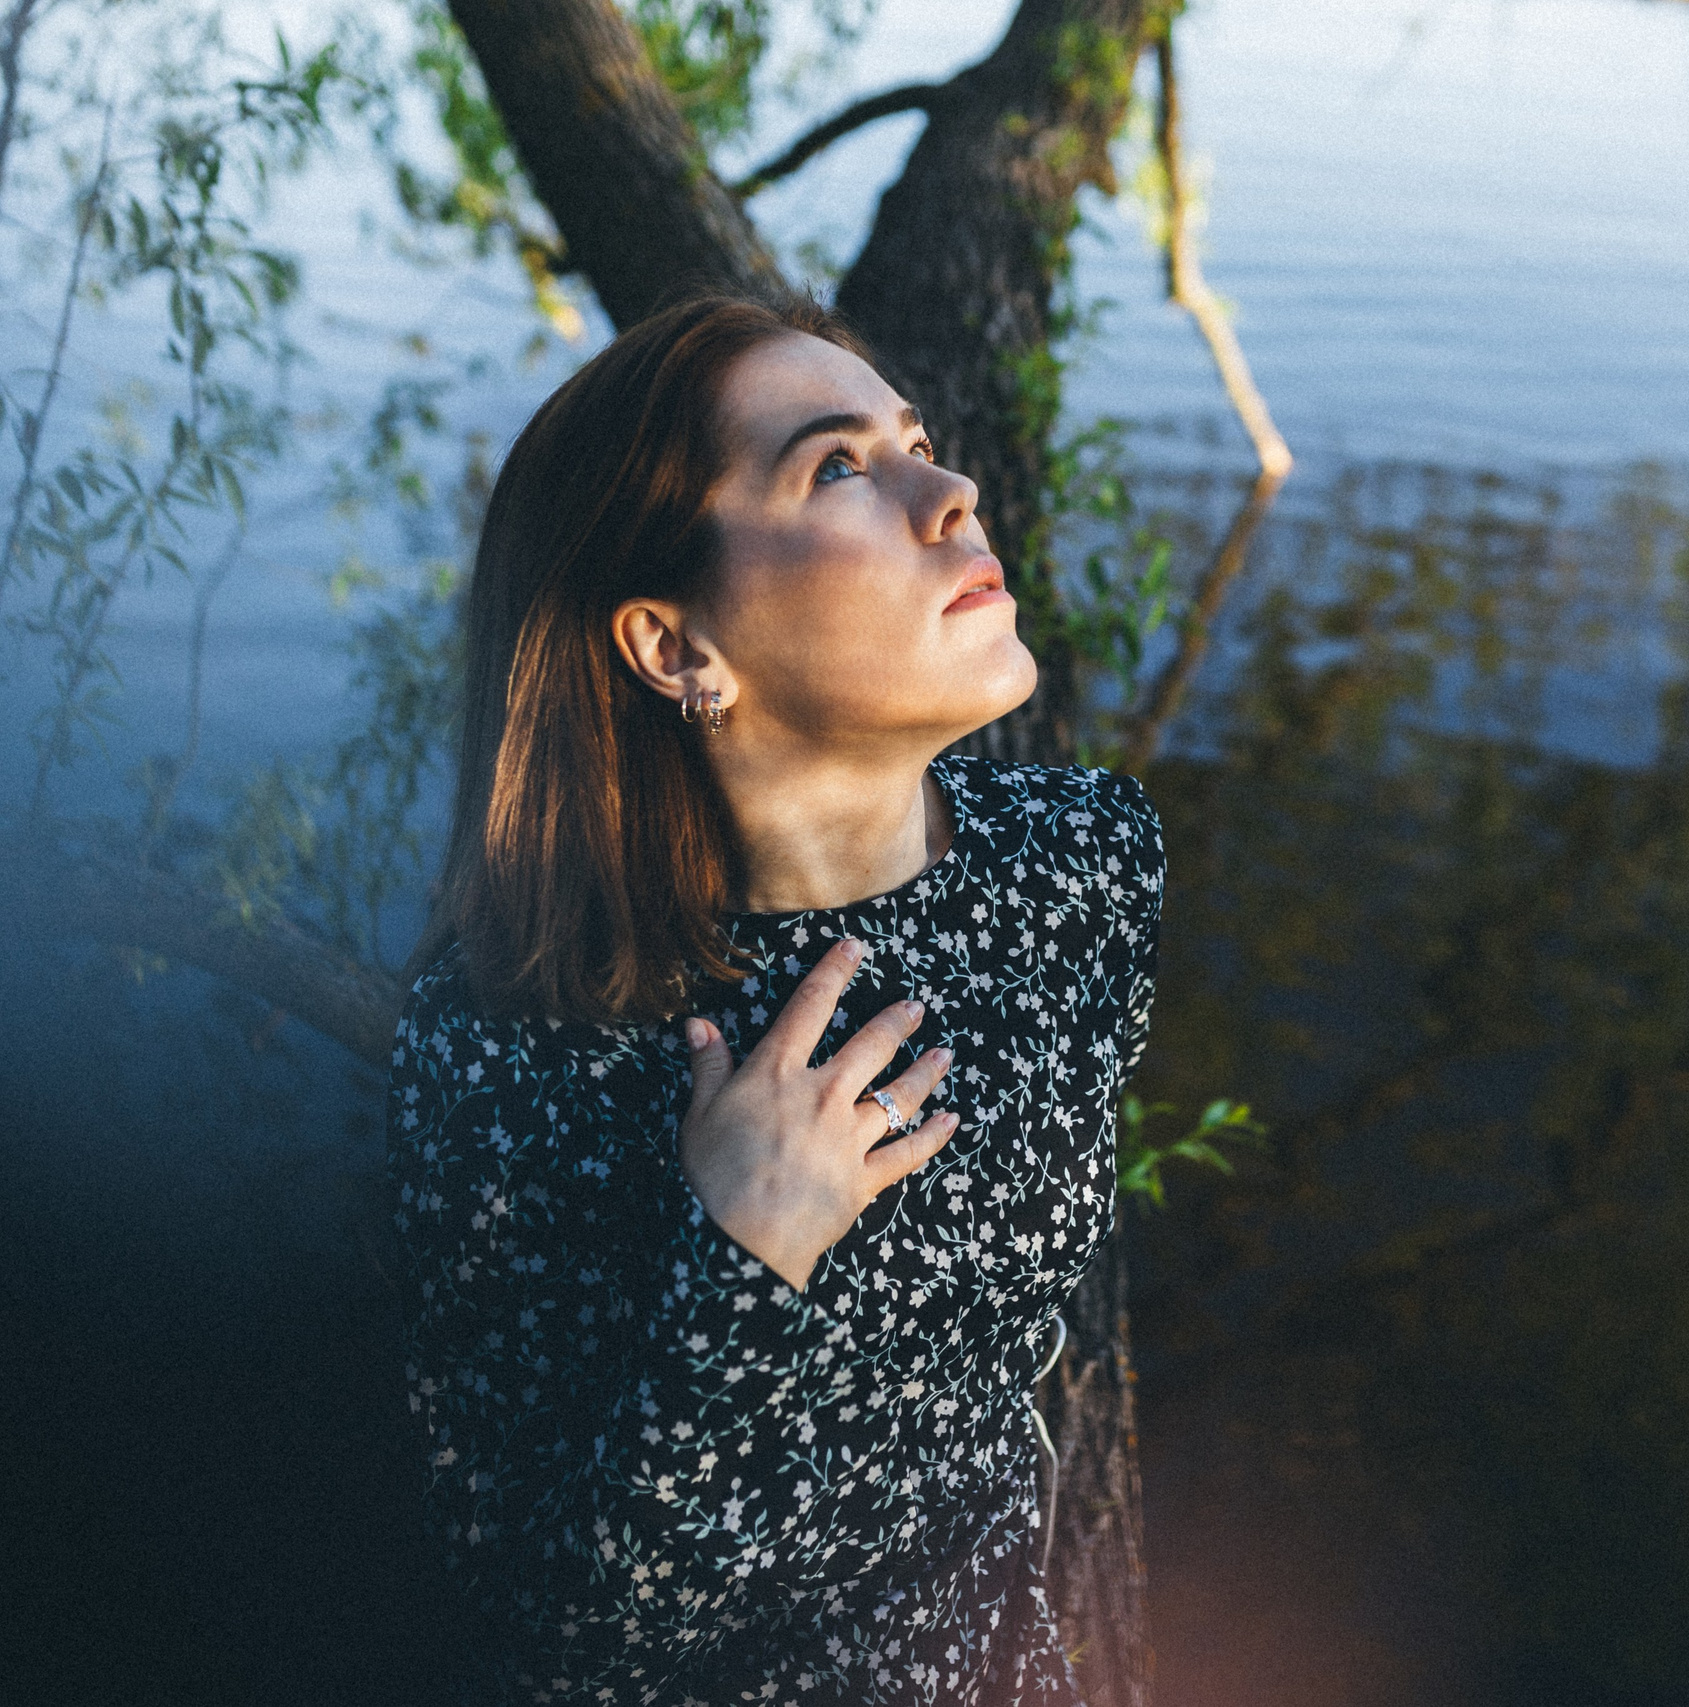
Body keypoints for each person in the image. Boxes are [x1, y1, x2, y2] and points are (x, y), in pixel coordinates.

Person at [386, 292, 1164, 1705]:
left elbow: (998, 1383)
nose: (953, 491)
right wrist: (744, 1251)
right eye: (840, 467)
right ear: (676, 649)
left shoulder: (1089, 867)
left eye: (917, 441)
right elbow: (559, 1644)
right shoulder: (522, 1042)